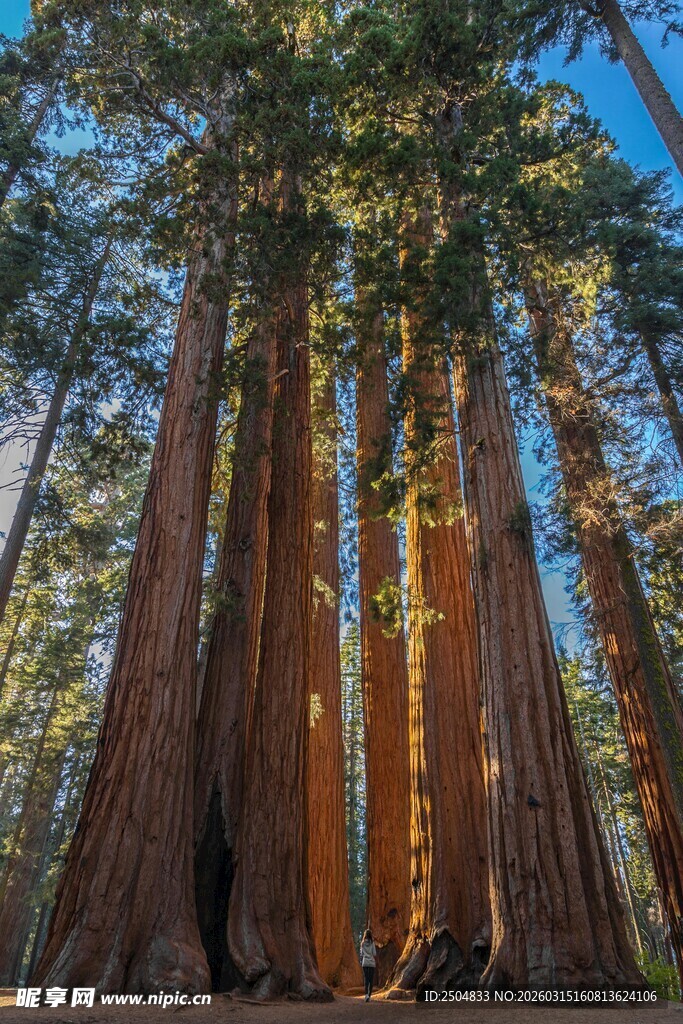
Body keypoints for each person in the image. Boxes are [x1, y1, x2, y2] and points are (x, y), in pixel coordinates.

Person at [359, 928, 377, 1002]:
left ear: (365, 935)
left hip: (365, 962)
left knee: (366, 979)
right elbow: (374, 953)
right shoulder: (372, 943)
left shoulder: (362, 943)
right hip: (371, 963)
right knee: (371, 980)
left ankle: (366, 995)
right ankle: (369, 996)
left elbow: (361, 954)